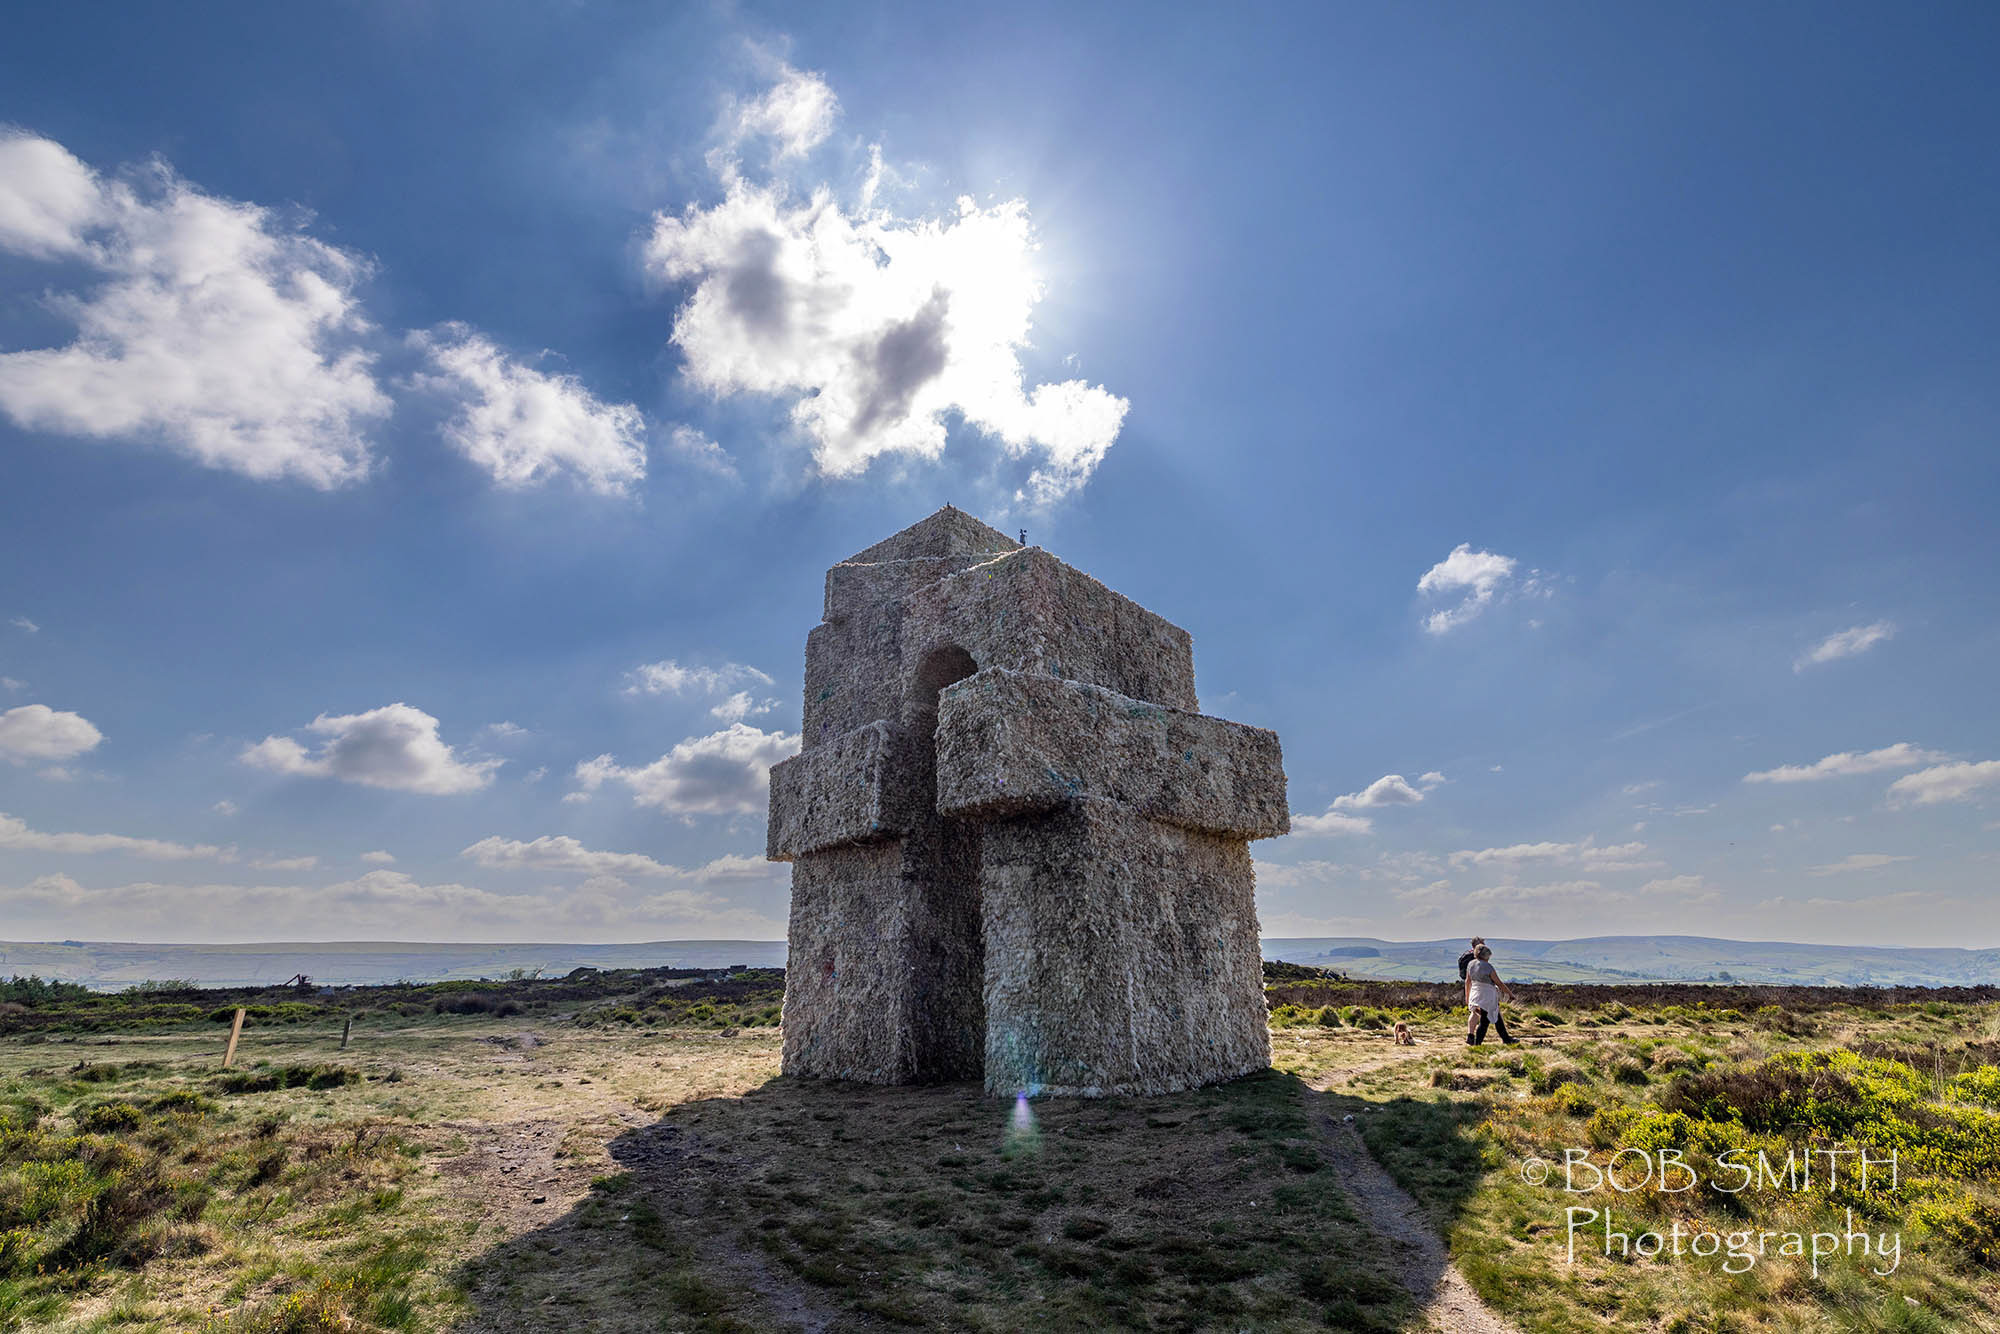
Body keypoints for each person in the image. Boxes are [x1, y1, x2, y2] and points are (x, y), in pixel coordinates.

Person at [1464, 944, 1518, 1045]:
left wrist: (1467, 997)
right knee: (1486, 1020)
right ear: (1486, 955)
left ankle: (1506, 1039)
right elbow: (1499, 983)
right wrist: (1510, 994)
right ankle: (1478, 1043)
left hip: (1475, 993)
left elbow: (1468, 981)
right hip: (1487, 995)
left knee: (1495, 1016)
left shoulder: (1471, 964)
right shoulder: (1488, 967)